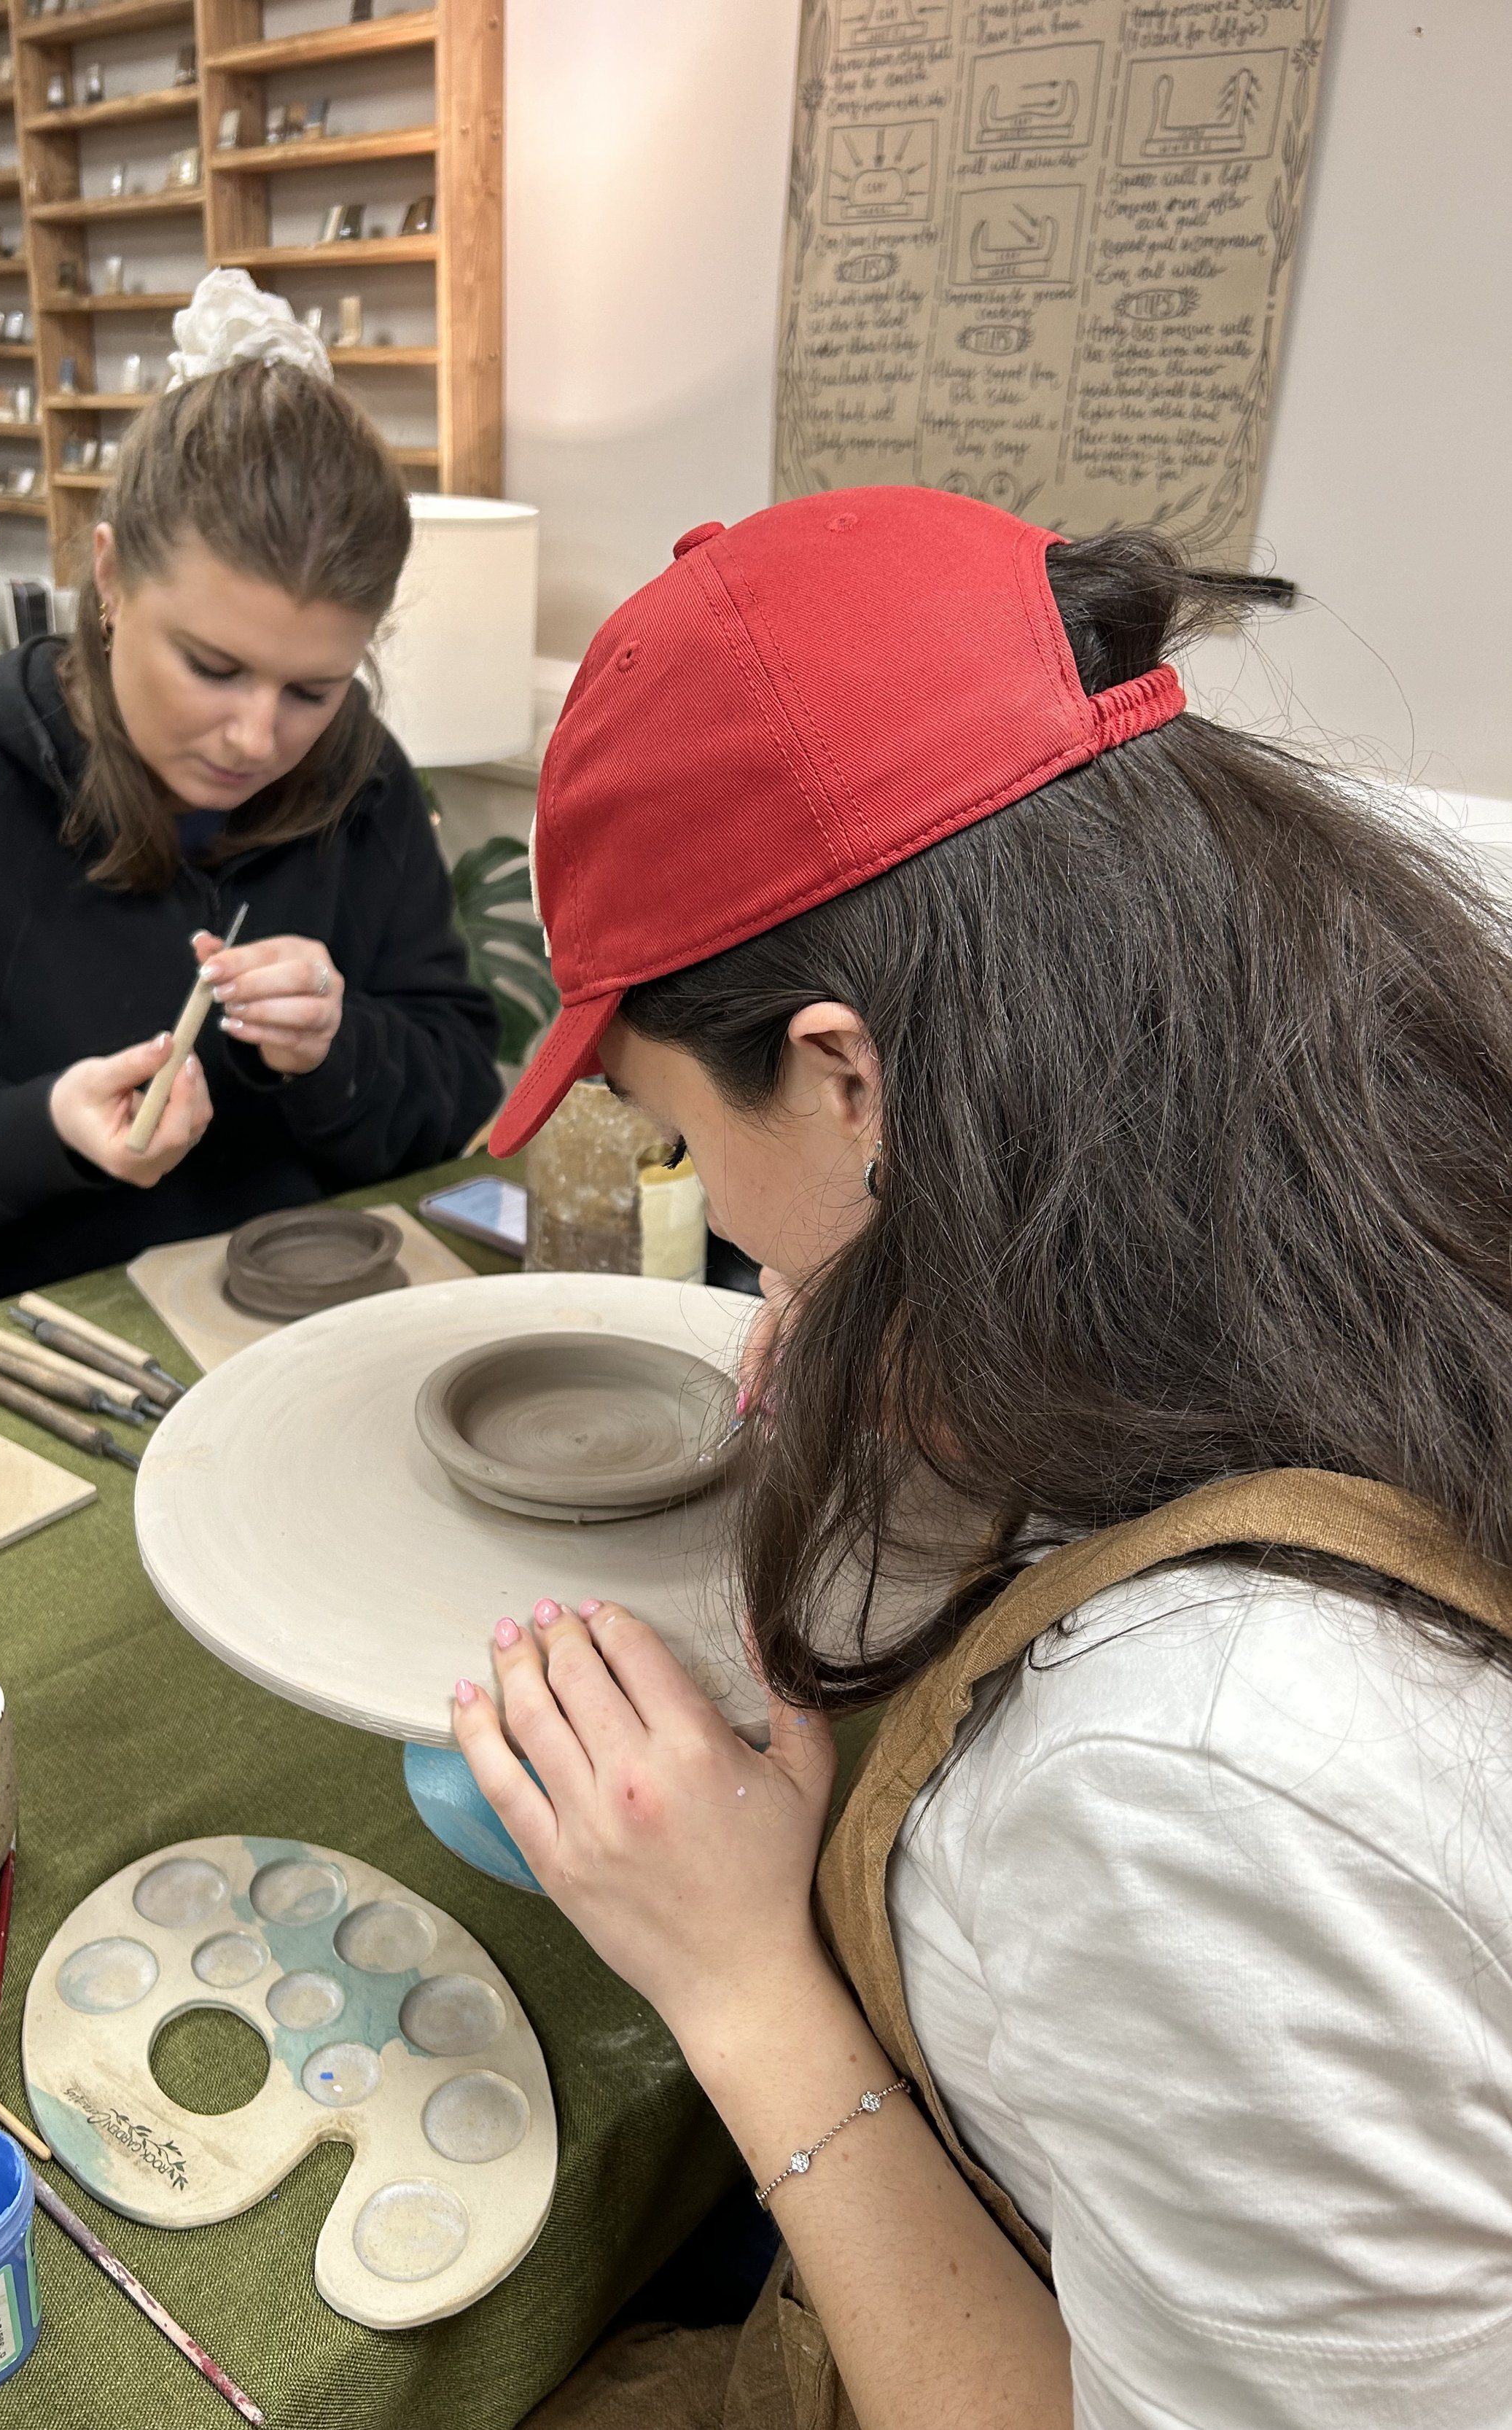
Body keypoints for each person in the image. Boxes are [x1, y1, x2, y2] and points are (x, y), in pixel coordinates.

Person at [456, 491, 1512, 2429]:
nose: (734, 1219)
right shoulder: (1388, 1053)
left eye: (682, 1135)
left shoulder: (1192, 1791)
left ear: (850, 1074)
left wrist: (739, 1980)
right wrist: (929, 1289)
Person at [0, 273, 501, 1323]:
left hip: (300, 1307)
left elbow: (452, 1092)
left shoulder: (364, 786)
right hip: (15, 1328)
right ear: (112, 574)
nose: (256, 738)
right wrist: (35, 1130)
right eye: (212, 667)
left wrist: (337, 1048)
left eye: (314, 689)